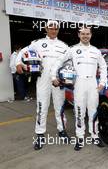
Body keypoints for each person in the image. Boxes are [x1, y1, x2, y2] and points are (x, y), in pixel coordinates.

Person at [51, 26, 107, 151]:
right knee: (79, 112)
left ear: (91, 35)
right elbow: (59, 62)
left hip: (93, 83)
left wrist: (102, 82)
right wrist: (53, 76)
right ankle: (80, 137)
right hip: (79, 84)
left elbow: (103, 66)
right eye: (83, 34)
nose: (85, 36)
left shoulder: (96, 51)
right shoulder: (73, 49)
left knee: (93, 112)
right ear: (79, 35)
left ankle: (95, 136)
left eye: (87, 34)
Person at [16, 20, 69, 150]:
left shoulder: (64, 46)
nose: (54, 30)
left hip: (58, 81)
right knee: (41, 107)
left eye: (56, 28)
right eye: (51, 28)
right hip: (43, 79)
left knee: (60, 107)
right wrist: (18, 63)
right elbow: (23, 52)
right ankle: (40, 134)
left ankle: (62, 131)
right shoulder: (37, 43)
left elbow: (70, 62)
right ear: (46, 28)